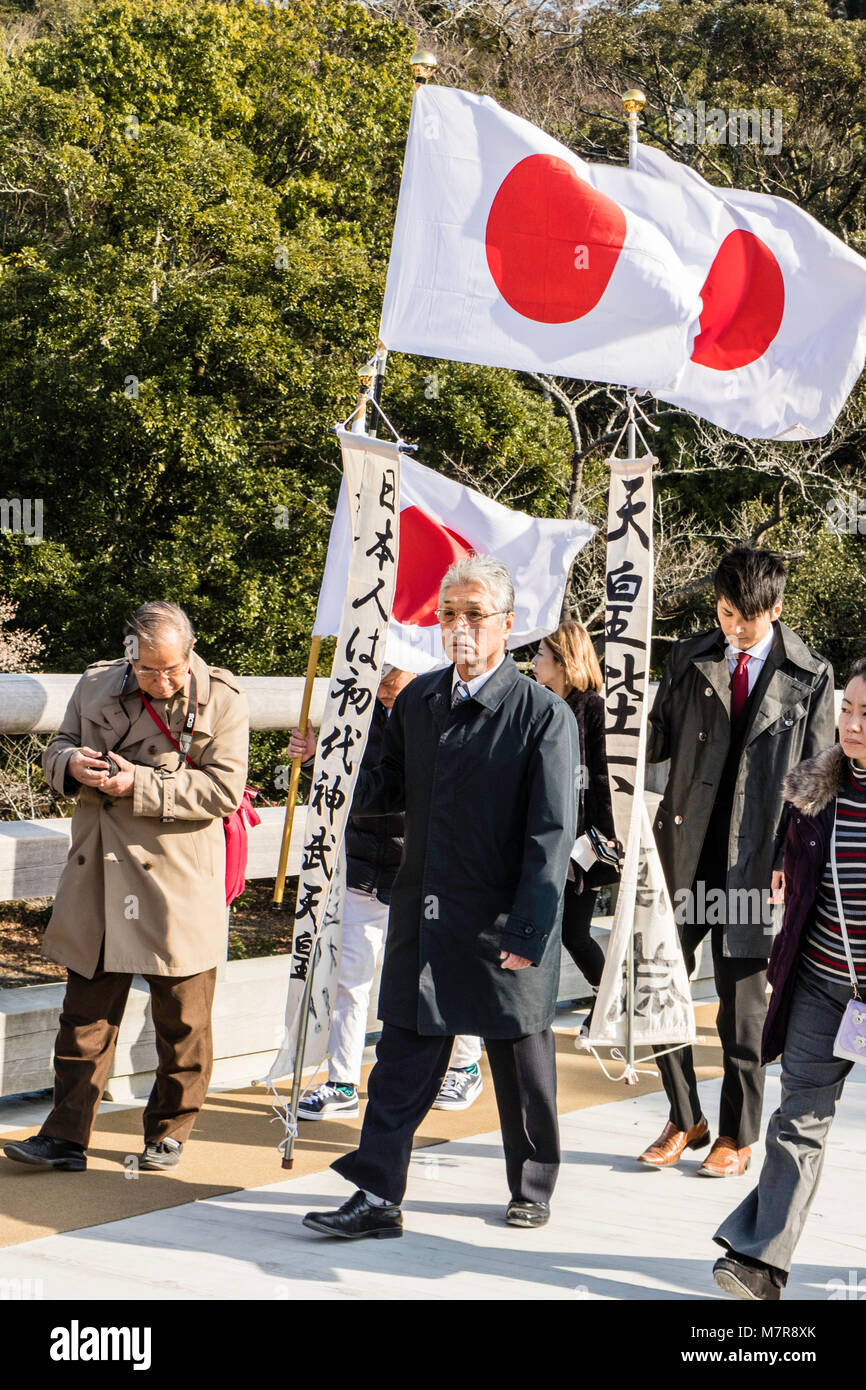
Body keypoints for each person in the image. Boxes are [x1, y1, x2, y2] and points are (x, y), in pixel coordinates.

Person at [298, 554, 578, 1239]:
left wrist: (529, 930)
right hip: (422, 908)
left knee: (520, 1057)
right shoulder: (420, 700)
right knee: (402, 1051)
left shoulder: (543, 716)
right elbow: (385, 790)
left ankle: (532, 1183)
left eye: (473, 616)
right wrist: (329, 771)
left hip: (504, 916)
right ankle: (376, 1194)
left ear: (507, 627)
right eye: (447, 615)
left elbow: (551, 834)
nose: (458, 628)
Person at [2, 602, 249, 1174]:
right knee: (84, 1015)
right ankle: (65, 1137)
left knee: (182, 1018)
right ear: (129, 655)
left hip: (176, 877)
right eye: (148, 671)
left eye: (172, 670)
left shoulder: (223, 699)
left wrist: (137, 780)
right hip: (101, 872)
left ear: (189, 655)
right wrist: (70, 765)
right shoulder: (95, 684)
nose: (162, 682)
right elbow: (57, 744)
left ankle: (169, 1132)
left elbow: (223, 790)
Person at [640, 548, 835, 1176]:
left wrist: (792, 858)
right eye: (724, 612)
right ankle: (683, 1114)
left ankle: (736, 1133)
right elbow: (657, 738)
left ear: (775, 609)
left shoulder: (810, 675)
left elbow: (819, 777)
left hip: (755, 862)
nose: (731, 627)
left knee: (740, 1007)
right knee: (657, 985)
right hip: (685, 853)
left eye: (745, 618)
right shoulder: (688, 657)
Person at [713, 660, 866, 1299]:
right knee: (797, 1119)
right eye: (849, 710)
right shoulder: (818, 790)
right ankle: (759, 1262)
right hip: (824, 984)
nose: (852, 726)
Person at [289, 667, 484, 1120]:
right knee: (350, 976)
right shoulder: (356, 713)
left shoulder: (444, 713)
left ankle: (464, 1063)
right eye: (383, 688)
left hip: (424, 867)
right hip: (362, 860)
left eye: (396, 689)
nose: (388, 697)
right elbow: (348, 783)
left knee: (440, 969)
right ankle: (342, 1080)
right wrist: (319, 756)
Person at [531, 621, 617, 1032]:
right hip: (546, 835)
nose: (532, 662)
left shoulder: (593, 708)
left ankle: (608, 1002)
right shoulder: (542, 705)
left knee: (573, 932)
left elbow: (603, 777)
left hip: (583, 841)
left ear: (563, 662)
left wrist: (604, 842)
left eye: (541, 655)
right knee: (544, 928)